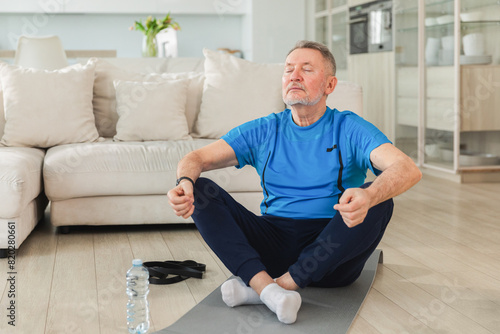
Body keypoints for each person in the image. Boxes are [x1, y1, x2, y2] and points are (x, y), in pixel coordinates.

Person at [167, 40, 422, 324]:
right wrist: (185, 182)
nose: (294, 76)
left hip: (332, 254)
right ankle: (266, 287)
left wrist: (371, 195)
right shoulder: (265, 129)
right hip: (273, 243)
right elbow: (195, 158)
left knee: (379, 199)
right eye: (288, 70)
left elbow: (407, 168)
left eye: (307, 69)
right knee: (202, 190)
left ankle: (275, 288)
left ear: (330, 85)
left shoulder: (349, 127)